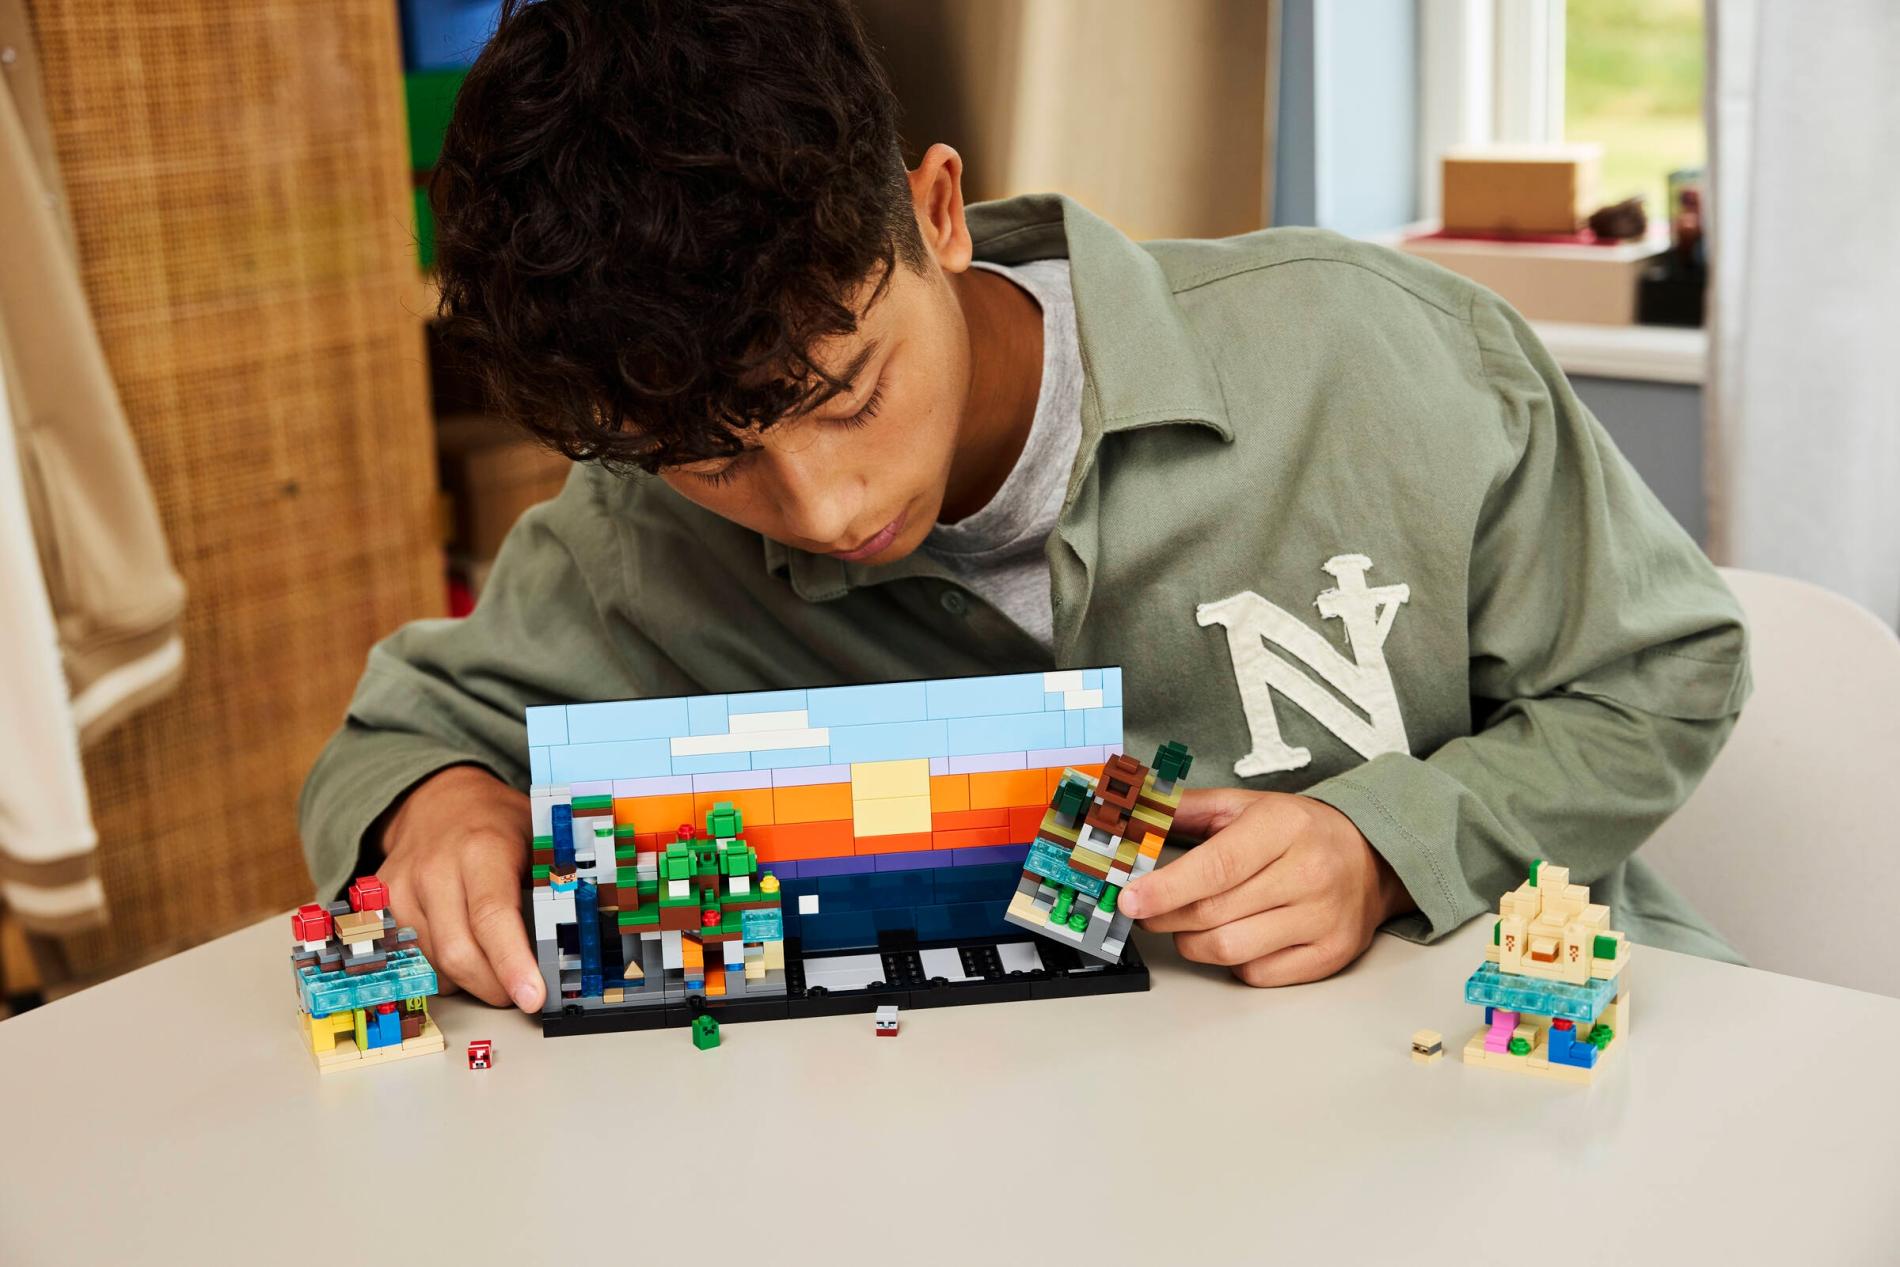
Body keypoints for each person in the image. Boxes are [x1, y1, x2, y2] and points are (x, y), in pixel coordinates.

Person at [300, 0, 1749, 1013]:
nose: (826, 508)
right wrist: (439, 810)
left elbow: (1664, 671)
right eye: (715, 459)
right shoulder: (634, 530)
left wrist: (1387, 845)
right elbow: (401, 741)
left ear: (937, 212)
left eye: (849, 392)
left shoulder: (1381, 354)